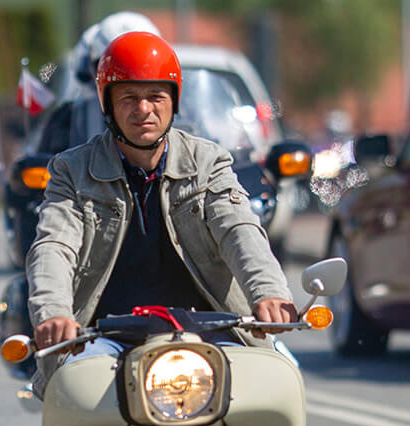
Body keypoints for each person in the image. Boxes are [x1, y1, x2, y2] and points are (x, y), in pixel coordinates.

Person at [26, 31, 296, 388]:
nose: (143, 110)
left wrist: (269, 293)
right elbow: (53, 246)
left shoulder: (208, 161)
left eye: (155, 96)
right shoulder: (72, 171)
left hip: (207, 332)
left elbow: (239, 231)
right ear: (107, 103)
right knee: (73, 401)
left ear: (174, 101)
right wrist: (55, 313)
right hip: (102, 337)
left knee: (282, 386)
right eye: (129, 97)